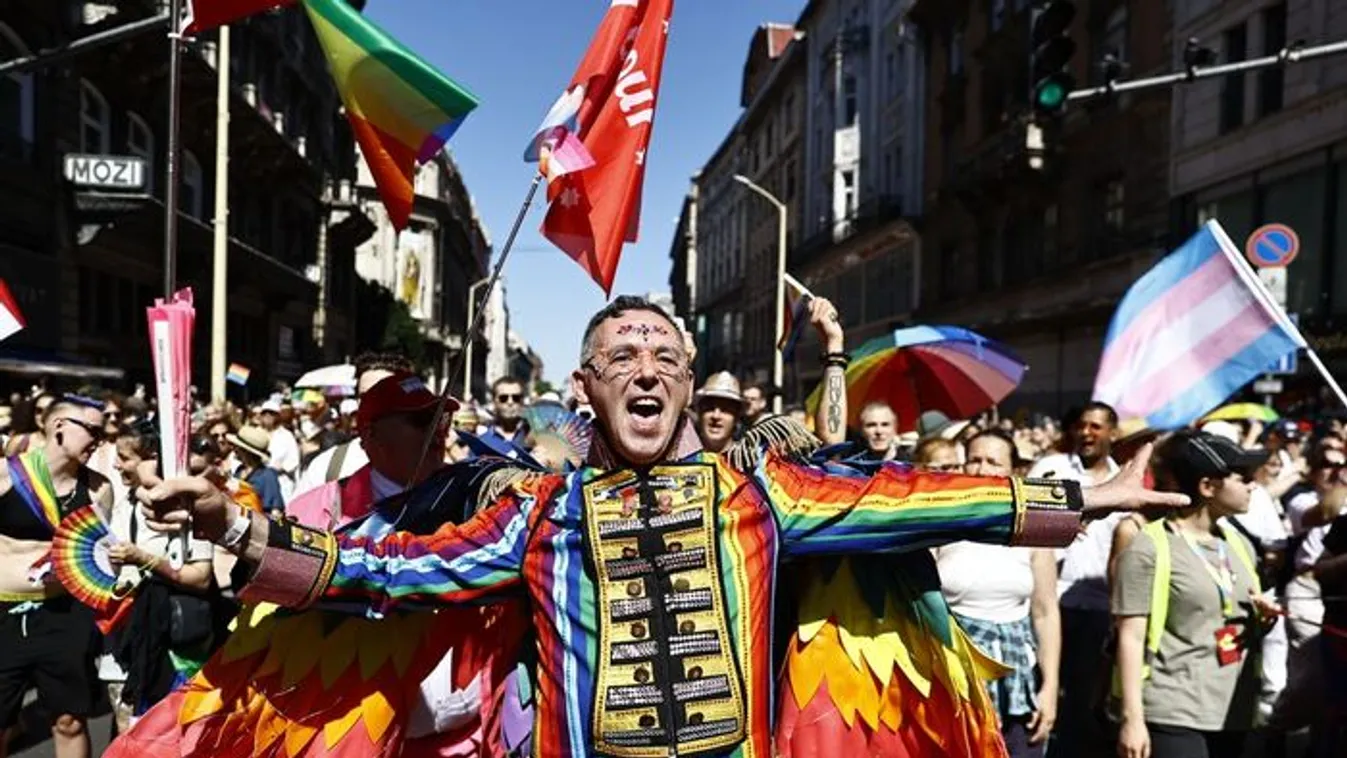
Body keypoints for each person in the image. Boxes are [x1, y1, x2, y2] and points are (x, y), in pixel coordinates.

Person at [123, 296, 1186, 758]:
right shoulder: (536, 515)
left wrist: (1078, 498)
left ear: (687, 384)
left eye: (665, 358)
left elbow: (927, 497)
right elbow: (386, 571)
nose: (647, 369)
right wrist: (242, 527)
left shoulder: (762, 494)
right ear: (585, 387)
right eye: (623, 358)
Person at [284, 371, 531, 756]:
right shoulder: (319, 510)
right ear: (369, 436)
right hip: (354, 734)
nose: (437, 430)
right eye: (419, 420)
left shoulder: (480, 500)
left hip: (467, 738)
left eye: (441, 418)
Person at [1113, 431, 1279, 758]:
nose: (1253, 485)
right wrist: (1132, 719)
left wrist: (1265, 619)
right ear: (1207, 487)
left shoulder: (1240, 544)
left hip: (1233, 709)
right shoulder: (1150, 546)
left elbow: (1238, 622)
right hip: (1173, 708)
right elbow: (1130, 637)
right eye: (1242, 477)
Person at [934, 430, 1060, 758]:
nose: (981, 468)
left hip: (1018, 681)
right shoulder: (939, 525)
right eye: (974, 460)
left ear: (1014, 471)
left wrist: (1049, 689)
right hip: (954, 680)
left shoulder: (1033, 528)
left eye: (993, 461)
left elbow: (1046, 613)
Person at [0, 395, 113, 758]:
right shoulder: (5, 476)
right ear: (59, 427)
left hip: (65, 616)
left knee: (70, 721)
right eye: (93, 430)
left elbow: (99, 554)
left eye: (104, 432)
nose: (100, 439)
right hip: (4, 615)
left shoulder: (98, 488)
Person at [1033, 401, 1121, 758]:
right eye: (1082, 425)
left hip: (1100, 607)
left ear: (1112, 433)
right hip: (1052, 601)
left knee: (1084, 696)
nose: (1087, 433)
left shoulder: (1123, 480)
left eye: (1096, 427)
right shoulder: (1051, 469)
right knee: (1045, 685)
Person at [294, 353, 415, 496]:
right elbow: (296, 516)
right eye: (364, 396)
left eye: (382, 394)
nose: (371, 403)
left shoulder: (429, 464)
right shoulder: (327, 466)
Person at [691, 371, 744, 454]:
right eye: (709, 408)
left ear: (736, 417)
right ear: (699, 413)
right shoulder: (683, 459)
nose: (716, 416)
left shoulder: (748, 462)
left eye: (725, 410)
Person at [482, 377, 529, 448]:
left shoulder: (535, 435)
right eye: (503, 398)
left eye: (516, 398)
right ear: (494, 401)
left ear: (522, 402)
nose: (510, 402)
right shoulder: (482, 441)